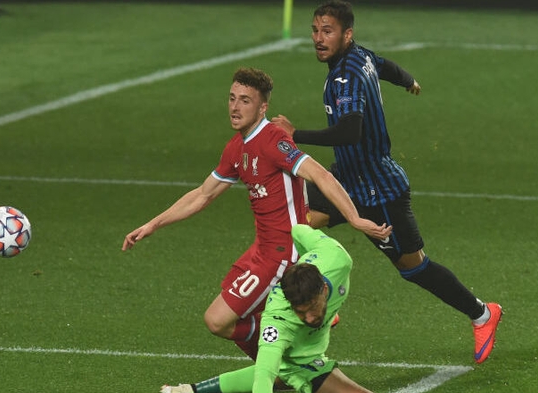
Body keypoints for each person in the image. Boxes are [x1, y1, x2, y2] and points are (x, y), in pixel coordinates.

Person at [270, 0, 502, 364]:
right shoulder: (358, 56)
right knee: (291, 231)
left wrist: (294, 133)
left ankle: (483, 313)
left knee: (414, 268)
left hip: (379, 191)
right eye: (315, 30)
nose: (318, 38)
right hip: (345, 179)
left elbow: (350, 131)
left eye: (327, 31)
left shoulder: (344, 76)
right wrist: (408, 79)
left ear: (347, 34)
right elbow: (383, 66)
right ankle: (315, 308)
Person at [122, 67, 391, 361]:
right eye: (232, 98)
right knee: (230, 310)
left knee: (217, 321)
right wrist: (153, 224)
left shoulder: (273, 141)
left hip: (284, 252)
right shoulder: (236, 148)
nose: (235, 107)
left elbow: (321, 175)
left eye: (245, 101)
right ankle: (282, 363)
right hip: (262, 249)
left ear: (263, 107)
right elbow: (203, 195)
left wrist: (353, 218)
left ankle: (298, 330)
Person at [160, 224, 394, 393]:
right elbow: (264, 371)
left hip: (307, 345)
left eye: (313, 308)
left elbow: (298, 229)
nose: (309, 317)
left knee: (286, 367)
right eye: (301, 313)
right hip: (302, 364)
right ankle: (294, 373)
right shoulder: (278, 319)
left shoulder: (337, 258)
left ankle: (192, 391)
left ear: (323, 288)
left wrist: (296, 262)